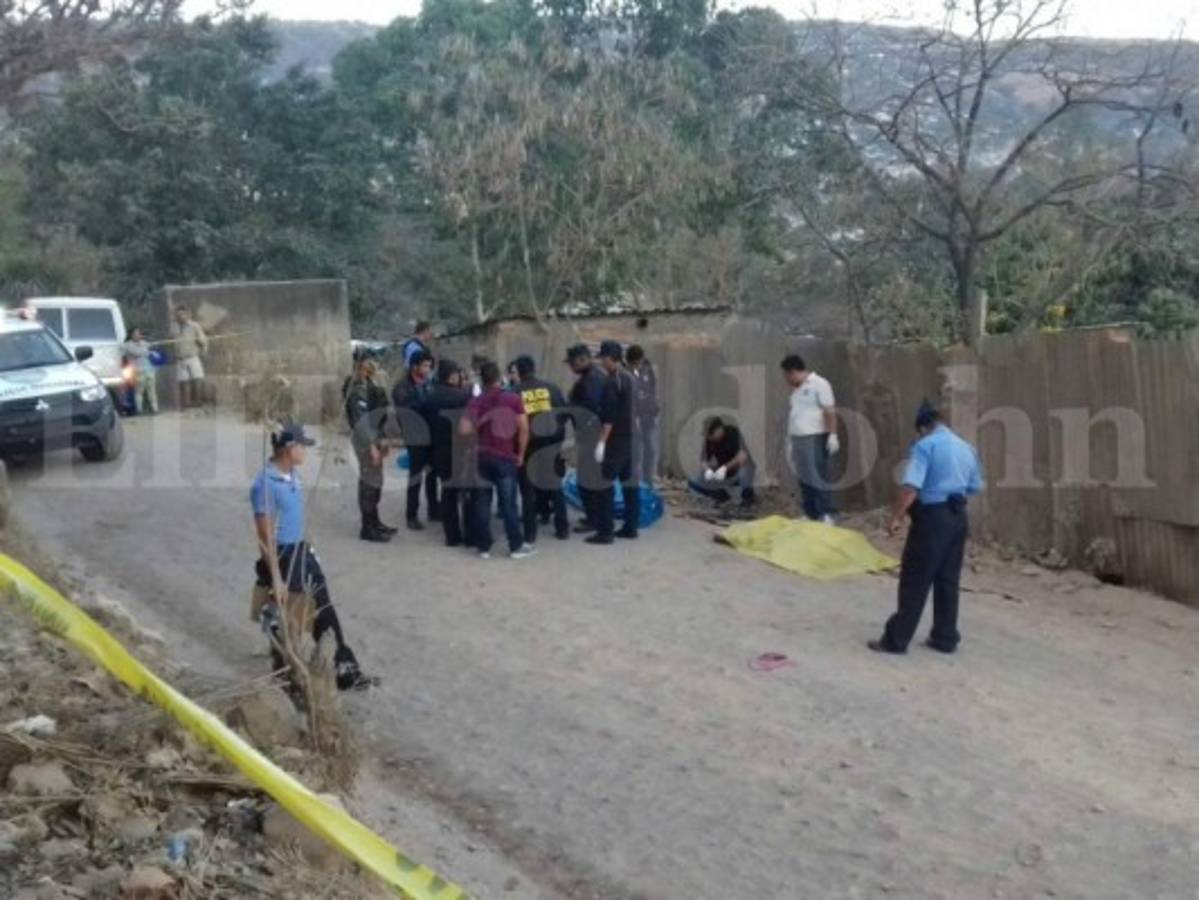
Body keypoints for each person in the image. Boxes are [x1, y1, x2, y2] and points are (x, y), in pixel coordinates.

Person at [250, 422, 372, 691]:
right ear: (288, 448)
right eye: (301, 445)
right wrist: (277, 577)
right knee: (292, 620)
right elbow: (264, 535)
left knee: (325, 610)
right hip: (284, 555)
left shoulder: (291, 475)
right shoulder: (265, 485)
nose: (305, 451)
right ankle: (286, 675)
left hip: (302, 551)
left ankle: (346, 671)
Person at [869, 403, 984, 656]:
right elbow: (975, 486)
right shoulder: (967, 448)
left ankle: (896, 639)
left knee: (915, 579)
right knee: (948, 579)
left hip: (932, 518)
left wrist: (895, 518)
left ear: (923, 428)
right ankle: (945, 637)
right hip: (957, 517)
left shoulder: (925, 446)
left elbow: (911, 487)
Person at [461, 361, 534, 560]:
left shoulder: (476, 401)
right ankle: (516, 547)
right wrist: (520, 454)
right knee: (508, 503)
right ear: (499, 378)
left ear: (482, 380)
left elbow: (464, 430)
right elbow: (524, 429)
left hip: (482, 457)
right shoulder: (513, 399)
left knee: (482, 503)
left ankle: (483, 547)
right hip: (505, 458)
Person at [513, 355, 570, 543]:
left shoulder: (515, 392)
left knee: (527, 490)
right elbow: (564, 414)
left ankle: (530, 534)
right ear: (533, 368)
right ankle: (562, 529)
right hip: (550, 444)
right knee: (554, 486)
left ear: (519, 372)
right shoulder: (551, 388)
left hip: (527, 446)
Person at [590, 340, 640, 544]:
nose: (601, 362)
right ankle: (631, 527)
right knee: (630, 485)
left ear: (610, 358)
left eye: (603, 358)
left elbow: (609, 417)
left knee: (605, 485)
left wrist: (602, 442)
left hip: (616, 440)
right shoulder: (631, 377)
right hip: (632, 438)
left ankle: (605, 532)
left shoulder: (612, 381)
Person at [781, 354, 839, 524]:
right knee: (804, 477)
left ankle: (826, 514)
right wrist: (791, 442)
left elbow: (830, 411)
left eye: (786, 376)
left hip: (814, 437)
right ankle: (810, 513)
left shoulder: (819, 384)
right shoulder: (796, 391)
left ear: (792, 372)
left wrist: (833, 435)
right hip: (798, 438)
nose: (786, 380)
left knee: (816, 476)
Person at [425, 359, 476, 548]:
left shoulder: (429, 397)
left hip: (439, 450)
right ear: (452, 376)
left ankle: (451, 536)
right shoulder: (463, 396)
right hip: (462, 449)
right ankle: (470, 536)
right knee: (467, 492)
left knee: (447, 493)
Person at [344, 356, 395, 543]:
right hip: (365, 441)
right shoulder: (355, 389)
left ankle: (375, 521)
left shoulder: (369, 384)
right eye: (368, 364)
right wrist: (372, 446)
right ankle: (367, 528)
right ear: (360, 367)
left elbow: (380, 413)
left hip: (376, 437)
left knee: (377, 480)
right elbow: (361, 421)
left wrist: (384, 439)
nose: (373, 367)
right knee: (369, 482)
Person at [393, 350, 440, 530]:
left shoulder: (429, 384)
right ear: (414, 367)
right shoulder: (402, 387)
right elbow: (407, 410)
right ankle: (411, 515)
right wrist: (429, 403)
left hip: (431, 435)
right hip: (414, 436)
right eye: (425, 366)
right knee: (415, 476)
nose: (428, 369)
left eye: (430, 366)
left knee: (432, 474)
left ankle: (433, 510)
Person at [566, 344, 607, 534]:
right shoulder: (592, 377)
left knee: (588, 479)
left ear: (582, 360)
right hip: (592, 436)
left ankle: (594, 519)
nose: (570, 367)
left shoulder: (591, 381)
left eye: (572, 363)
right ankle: (595, 516)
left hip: (591, 437)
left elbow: (591, 411)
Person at [688, 416, 755, 507]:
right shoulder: (709, 439)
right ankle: (721, 495)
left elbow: (743, 456)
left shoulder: (733, 433)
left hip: (737, 471)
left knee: (745, 471)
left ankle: (747, 498)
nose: (709, 438)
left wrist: (724, 468)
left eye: (711, 435)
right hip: (722, 473)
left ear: (719, 429)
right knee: (694, 480)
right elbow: (703, 460)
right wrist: (708, 470)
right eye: (708, 436)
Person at [626, 345, 659, 484]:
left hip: (648, 415)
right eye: (636, 363)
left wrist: (655, 405)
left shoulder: (647, 367)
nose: (638, 365)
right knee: (636, 451)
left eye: (640, 362)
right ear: (630, 362)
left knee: (650, 449)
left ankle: (648, 481)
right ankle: (634, 480)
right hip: (635, 417)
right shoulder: (626, 373)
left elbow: (652, 386)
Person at [172, 305, 209, 410]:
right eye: (178, 315)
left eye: (182, 314)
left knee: (197, 379)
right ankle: (186, 403)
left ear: (187, 314)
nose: (180, 317)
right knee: (184, 382)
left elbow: (203, 340)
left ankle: (199, 401)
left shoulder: (194, 326)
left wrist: (204, 351)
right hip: (180, 358)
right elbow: (174, 343)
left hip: (192, 356)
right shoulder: (175, 328)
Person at [122, 328, 159, 415]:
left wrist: (151, 345)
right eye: (136, 333)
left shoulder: (143, 343)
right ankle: (139, 410)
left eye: (139, 333)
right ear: (131, 335)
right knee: (139, 392)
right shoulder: (127, 345)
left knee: (152, 391)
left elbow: (152, 346)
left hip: (149, 370)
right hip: (138, 371)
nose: (138, 335)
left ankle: (155, 409)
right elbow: (138, 352)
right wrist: (150, 352)